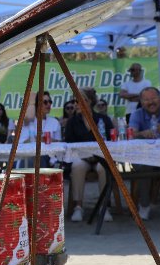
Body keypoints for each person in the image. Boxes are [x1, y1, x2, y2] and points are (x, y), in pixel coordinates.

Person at [65, 87, 114, 223]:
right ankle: (78, 207)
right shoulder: (72, 122)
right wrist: (85, 155)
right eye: (75, 101)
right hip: (82, 158)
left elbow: (111, 141)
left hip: (100, 158)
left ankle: (104, 207)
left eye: (80, 100)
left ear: (90, 102)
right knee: (77, 166)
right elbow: (69, 145)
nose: (76, 104)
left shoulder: (103, 119)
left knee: (103, 168)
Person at [128, 87, 160, 220]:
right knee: (144, 166)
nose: (151, 102)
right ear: (142, 102)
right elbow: (131, 134)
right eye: (147, 100)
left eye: (154, 99)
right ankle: (144, 205)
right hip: (145, 156)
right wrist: (142, 133)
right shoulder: (137, 114)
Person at [19, 91, 62, 167]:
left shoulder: (55, 122)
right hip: (27, 155)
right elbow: (24, 143)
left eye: (50, 102)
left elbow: (58, 143)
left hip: (48, 156)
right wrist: (32, 102)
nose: (48, 104)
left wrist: (41, 139)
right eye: (45, 102)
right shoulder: (28, 120)